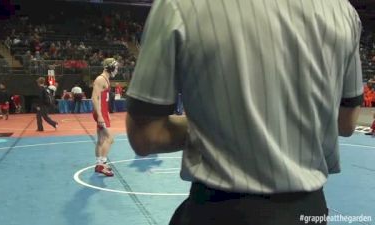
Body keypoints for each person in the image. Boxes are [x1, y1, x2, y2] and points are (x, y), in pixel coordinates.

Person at [125, 1, 363, 224]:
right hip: (309, 210)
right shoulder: (343, 12)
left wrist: (227, 122)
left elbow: (146, 135)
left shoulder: (178, 6)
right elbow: (346, 123)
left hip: (221, 211)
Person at [91, 58, 118, 177]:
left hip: (103, 112)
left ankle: (98, 164)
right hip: (100, 112)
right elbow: (94, 98)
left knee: (101, 140)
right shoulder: (101, 79)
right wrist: (101, 116)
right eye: (115, 67)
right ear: (111, 67)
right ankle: (102, 165)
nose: (116, 70)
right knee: (110, 138)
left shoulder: (105, 78)